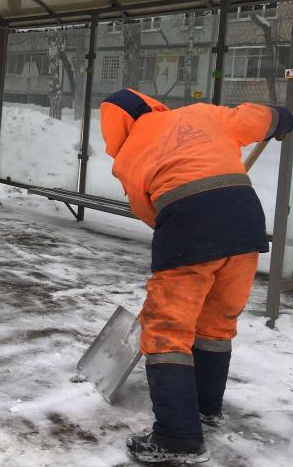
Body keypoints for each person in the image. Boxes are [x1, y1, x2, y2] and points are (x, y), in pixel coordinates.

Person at [99, 88, 293, 464]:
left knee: (167, 330)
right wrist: (283, 118)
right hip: (245, 225)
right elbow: (255, 118)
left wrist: (189, 230)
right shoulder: (200, 114)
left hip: (188, 228)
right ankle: (206, 408)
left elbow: (148, 212)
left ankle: (177, 437)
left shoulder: (127, 158)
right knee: (217, 325)